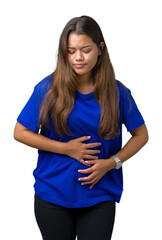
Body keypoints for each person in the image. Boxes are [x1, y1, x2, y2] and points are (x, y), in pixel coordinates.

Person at [14, 15, 148, 240]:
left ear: (100, 49)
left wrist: (111, 163)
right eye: (70, 50)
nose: (78, 57)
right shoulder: (47, 89)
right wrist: (66, 149)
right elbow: (20, 132)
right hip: (52, 193)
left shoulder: (118, 93)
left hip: (99, 195)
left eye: (85, 49)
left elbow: (141, 135)